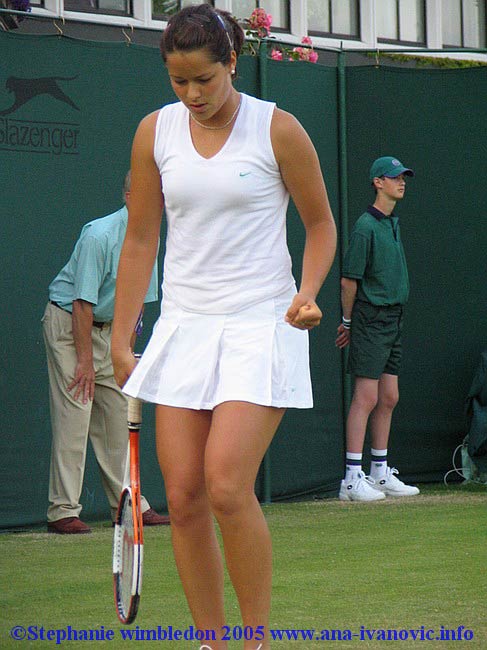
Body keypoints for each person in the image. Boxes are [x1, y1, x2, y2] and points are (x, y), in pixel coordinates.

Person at [111, 5, 336, 648]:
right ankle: (211, 643)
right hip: (184, 326)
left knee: (226, 484)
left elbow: (320, 226)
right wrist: (122, 335)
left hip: (261, 322)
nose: (192, 95)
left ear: (233, 62)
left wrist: (308, 293)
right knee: (182, 498)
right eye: (179, 82)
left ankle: (255, 641)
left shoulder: (279, 129)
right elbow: (141, 239)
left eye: (204, 80)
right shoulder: (154, 132)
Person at [43, 171, 170, 534]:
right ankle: (62, 511)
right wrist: (84, 361)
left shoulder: (150, 238)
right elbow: (82, 303)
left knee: (118, 418)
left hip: (111, 331)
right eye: (148, 196)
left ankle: (129, 505)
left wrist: (125, 355)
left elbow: (140, 304)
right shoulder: (99, 235)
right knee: (76, 413)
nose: (156, 205)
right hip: (70, 326)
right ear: (129, 197)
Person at [336, 156, 420, 502]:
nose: (401, 182)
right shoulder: (365, 227)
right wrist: (348, 322)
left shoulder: (391, 224)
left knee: (389, 397)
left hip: (394, 319)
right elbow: (348, 281)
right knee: (367, 397)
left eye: (403, 177)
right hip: (371, 318)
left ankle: (379, 472)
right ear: (377, 183)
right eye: (394, 177)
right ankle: (352, 479)